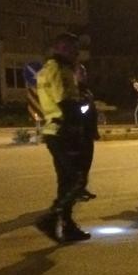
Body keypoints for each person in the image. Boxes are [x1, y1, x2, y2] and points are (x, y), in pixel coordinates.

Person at [34, 32, 91, 243]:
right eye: (73, 49)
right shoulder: (60, 70)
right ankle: (51, 219)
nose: (77, 53)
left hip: (54, 131)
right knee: (78, 180)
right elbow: (66, 103)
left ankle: (67, 226)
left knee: (66, 180)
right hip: (64, 131)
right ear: (62, 48)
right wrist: (83, 101)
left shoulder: (45, 70)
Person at [75, 62, 100, 201]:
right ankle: (76, 191)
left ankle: (83, 188)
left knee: (86, 163)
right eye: (81, 72)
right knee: (79, 164)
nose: (84, 75)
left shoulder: (86, 90)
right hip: (80, 133)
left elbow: (91, 111)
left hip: (88, 133)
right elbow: (80, 111)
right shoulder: (74, 90)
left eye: (84, 72)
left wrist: (94, 131)